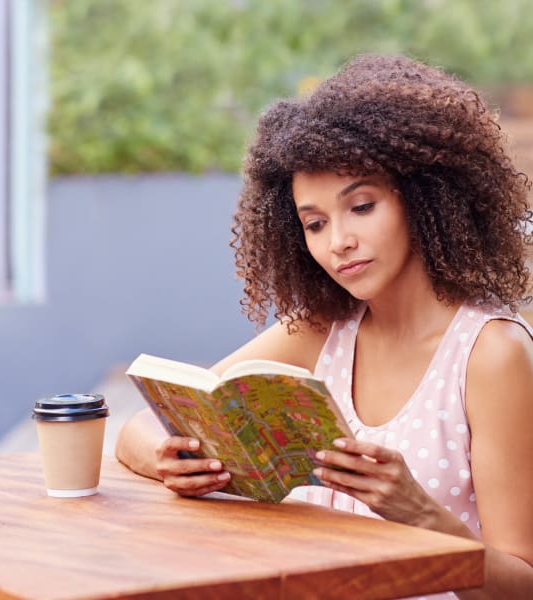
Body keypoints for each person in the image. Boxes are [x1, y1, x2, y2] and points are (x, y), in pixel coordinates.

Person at [116, 54, 533, 598]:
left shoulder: (491, 354)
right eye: (314, 223)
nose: (338, 241)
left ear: (428, 198)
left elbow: (522, 584)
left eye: (361, 206)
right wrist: (170, 460)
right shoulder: (320, 330)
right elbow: (139, 427)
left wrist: (421, 514)